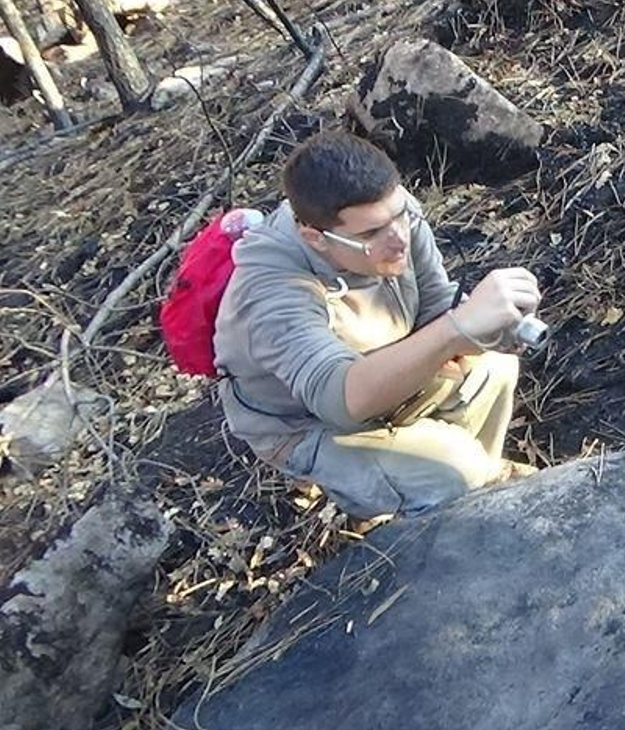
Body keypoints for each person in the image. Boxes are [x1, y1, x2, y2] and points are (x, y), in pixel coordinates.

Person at [212, 130, 543, 518]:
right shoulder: (270, 289)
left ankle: (475, 487)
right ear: (315, 238)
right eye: (371, 234)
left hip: (382, 374)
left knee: (496, 363)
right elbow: (338, 400)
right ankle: (450, 500)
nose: (399, 238)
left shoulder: (389, 214)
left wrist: (484, 330)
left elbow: (435, 302)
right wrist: (456, 329)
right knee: (454, 472)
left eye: (400, 215)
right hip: (308, 423)